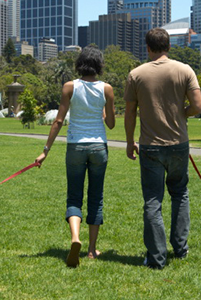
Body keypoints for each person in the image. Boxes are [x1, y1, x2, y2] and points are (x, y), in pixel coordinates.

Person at [124, 28, 201, 269]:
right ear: (168, 46)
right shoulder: (185, 70)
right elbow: (198, 106)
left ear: (148, 47)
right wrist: (183, 113)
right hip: (179, 144)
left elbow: (129, 113)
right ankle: (180, 249)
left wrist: (129, 142)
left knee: (152, 200)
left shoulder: (136, 74)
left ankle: (157, 257)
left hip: (150, 146)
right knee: (179, 194)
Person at [35, 45, 115, 268]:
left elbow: (58, 121)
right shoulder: (106, 88)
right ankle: (91, 250)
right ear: (99, 65)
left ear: (80, 64)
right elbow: (110, 123)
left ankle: (75, 238)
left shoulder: (70, 86)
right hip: (99, 147)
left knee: (74, 197)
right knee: (96, 197)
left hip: (75, 147)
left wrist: (45, 151)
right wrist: (102, 111)